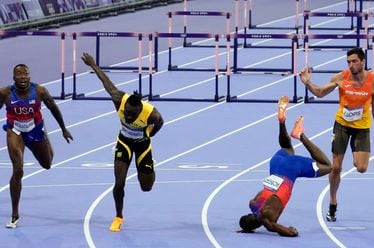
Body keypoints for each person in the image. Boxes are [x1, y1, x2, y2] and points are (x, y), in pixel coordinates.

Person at [81, 52, 164, 232]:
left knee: (146, 187)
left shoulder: (151, 113)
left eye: (132, 115)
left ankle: (150, 166)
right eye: (126, 113)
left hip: (143, 145)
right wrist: (93, 65)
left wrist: (150, 134)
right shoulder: (119, 99)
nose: (128, 116)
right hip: (124, 142)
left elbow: (160, 123)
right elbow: (106, 82)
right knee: (119, 183)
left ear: (140, 110)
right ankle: (118, 216)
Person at [299, 47, 374, 222]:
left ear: (363, 62)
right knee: (336, 167)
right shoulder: (341, 78)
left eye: (354, 61)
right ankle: (333, 202)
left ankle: (356, 154)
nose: (351, 65)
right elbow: (319, 93)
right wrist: (308, 82)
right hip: (341, 126)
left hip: (362, 128)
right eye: (348, 62)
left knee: (362, 168)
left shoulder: (372, 81)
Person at [239, 96, 332, 237]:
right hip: (276, 164)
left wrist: (289, 230)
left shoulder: (266, 219)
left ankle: (300, 135)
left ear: (254, 228)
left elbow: (289, 233)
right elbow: (266, 194)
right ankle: (282, 122)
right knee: (287, 147)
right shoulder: (253, 204)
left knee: (327, 166)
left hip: (290, 170)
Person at [0, 64, 73, 229]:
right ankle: (15, 214)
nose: (23, 77)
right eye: (19, 74)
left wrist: (63, 129)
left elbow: (53, 108)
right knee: (18, 169)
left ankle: (45, 138)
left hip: (35, 129)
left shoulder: (40, 91)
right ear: (14, 78)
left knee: (47, 164)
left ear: (29, 77)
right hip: (15, 131)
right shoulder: (5, 93)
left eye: (25, 74)